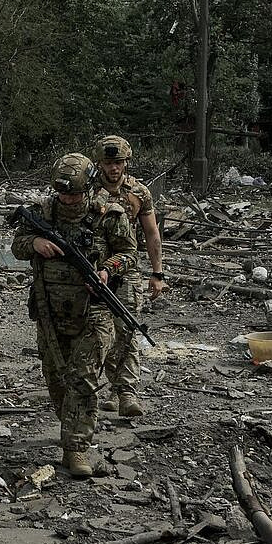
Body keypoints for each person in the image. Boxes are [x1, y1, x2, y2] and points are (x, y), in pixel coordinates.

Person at [13, 153, 137, 477]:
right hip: (50, 310)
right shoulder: (43, 212)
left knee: (82, 379)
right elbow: (17, 245)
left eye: (75, 194)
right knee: (57, 379)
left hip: (94, 311)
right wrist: (35, 242)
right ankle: (71, 432)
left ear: (89, 188)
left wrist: (107, 270)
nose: (68, 200)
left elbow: (129, 253)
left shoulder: (109, 215)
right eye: (63, 193)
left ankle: (77, 447)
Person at [90, 135, 165, 417]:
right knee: (100, 332)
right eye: (108, 163)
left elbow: (152, 233)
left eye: (119, 162)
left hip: (126, 269)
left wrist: (157, 273)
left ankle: (127, 392)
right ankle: (113, 386)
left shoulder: (139, 192)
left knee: (127, 329)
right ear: (99, 163)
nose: (114, 168)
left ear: (126, 163)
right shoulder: (87, 191)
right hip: (93, 270)